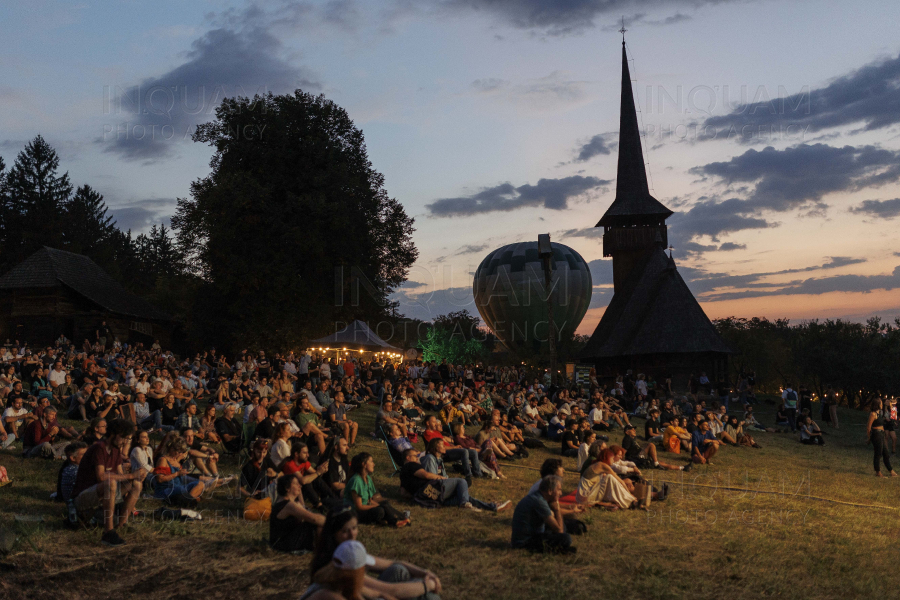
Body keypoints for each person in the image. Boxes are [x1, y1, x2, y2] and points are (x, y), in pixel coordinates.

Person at [305, 506, 442, 600]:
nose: (352, 534)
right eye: (345, 530)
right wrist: (428, 585)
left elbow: (389, 570)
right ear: (333, 534)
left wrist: (425, 573)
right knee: (427, 594)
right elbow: (389, 590)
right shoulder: (339, 567)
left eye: (354, 528)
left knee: (399, 570)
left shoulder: (350, 553)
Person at [71, 418, 146, 546]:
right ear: (114, 434)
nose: (125, 442)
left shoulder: (116, 450)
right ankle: (108, 532)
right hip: (83, 496)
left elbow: (120, 475)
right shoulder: (99, 448)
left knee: (136, 484)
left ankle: (121, 525)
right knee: (110, 482)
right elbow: (101, 476)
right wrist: (131, 475)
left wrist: (136, 477)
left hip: (101, 493)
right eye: (124, 438)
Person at [510, 475, 574, 554]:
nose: (561, 493)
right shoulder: (539, 502)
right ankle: (556, 549)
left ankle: (557, 549)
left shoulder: (538, 497)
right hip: (525, 542)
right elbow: (559, 531)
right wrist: (557, 509)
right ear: (550, 491)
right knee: (566, 538)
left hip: (528, 537)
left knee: (561, 526)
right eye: (559, 490)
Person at [344, 452, 409, 527]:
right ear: (364, 464)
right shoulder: (356, 480)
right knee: (379, 510)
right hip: (354, 513)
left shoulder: (367, 478)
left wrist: (380, 505)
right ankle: (395, 521)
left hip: (364, 508)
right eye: (371, 461)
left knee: (384, 504)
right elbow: (359, 507)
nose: (373, 464)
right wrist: (377, 506)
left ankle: (402, 517)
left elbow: (369, 500)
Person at [270, 472, 326, 553]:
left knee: (316, 523)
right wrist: (332, 523)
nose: (300, 486)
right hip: (284, 545)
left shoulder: (283, 503)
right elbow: (314, 519)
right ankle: (323, 551)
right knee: (316, 523)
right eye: (296, 484)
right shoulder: (289, 505)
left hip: (282, 543)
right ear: (287, 488)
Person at [866, 399, 897, 477]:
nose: (882, 404)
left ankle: (891, 471)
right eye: (881, 403)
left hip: (881, 434)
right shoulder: (873, 414)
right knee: (878, 453)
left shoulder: (880, 413)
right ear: (878, 404)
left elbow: (892, 414)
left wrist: (891, 406)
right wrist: (869, 437)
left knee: (886, 453)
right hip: (876, 435)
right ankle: (878, 472)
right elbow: (868, 427)